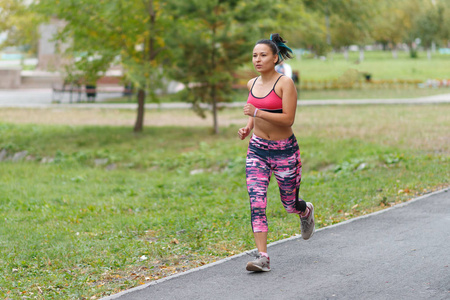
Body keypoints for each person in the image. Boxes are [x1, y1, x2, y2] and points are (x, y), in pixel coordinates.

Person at [238, 33, 315, 272]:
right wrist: (248, 127)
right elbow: (253, 114)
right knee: (257, 201)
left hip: (285, 152)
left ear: (275, 58)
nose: (257, 60)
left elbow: (288, 119)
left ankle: (305, 210)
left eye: (263, 55)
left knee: (289, 203)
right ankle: (263, 257)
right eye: (254, 55)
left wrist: (257, 113)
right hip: (258, 149)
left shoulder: (284, 83)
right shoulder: (252, 84)